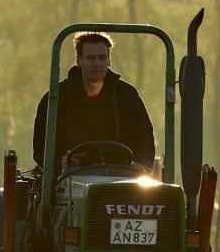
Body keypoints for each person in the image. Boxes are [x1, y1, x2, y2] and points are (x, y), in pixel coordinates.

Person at [32, 32, 155, 170]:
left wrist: (141, 164)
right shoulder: (56, 98)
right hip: (70, 178)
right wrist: (61, 162)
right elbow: (42, 148)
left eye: (102, 58)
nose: (97, 63)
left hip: (120, 175)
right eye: (91, 58)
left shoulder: (127, 96)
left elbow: (144, 137)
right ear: (79, 60)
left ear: (109, 60)